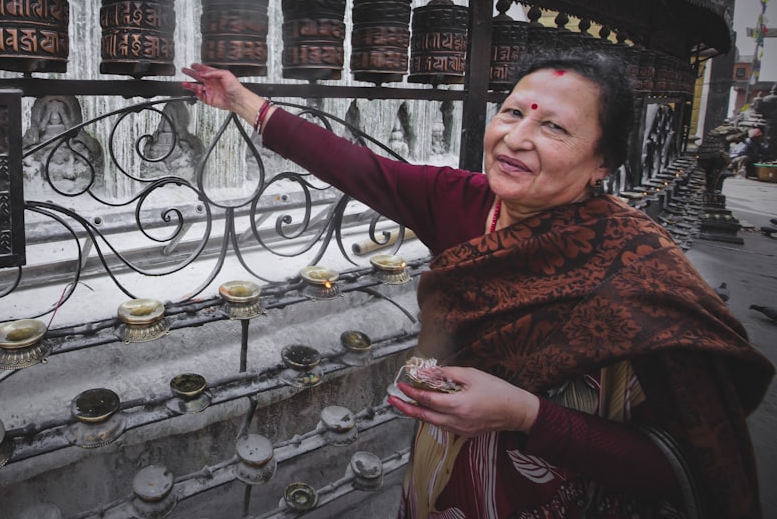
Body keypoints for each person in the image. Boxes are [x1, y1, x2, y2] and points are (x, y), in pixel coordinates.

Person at [182, 52, 773, 519]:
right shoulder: (462, 202)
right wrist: (240, 100)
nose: (517, 138)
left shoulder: (637, 269)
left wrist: (526, 415)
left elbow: (678, 464)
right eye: (513, 112)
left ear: (602, 163)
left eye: (554, 128)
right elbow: (356, 166)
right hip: (445, 477)